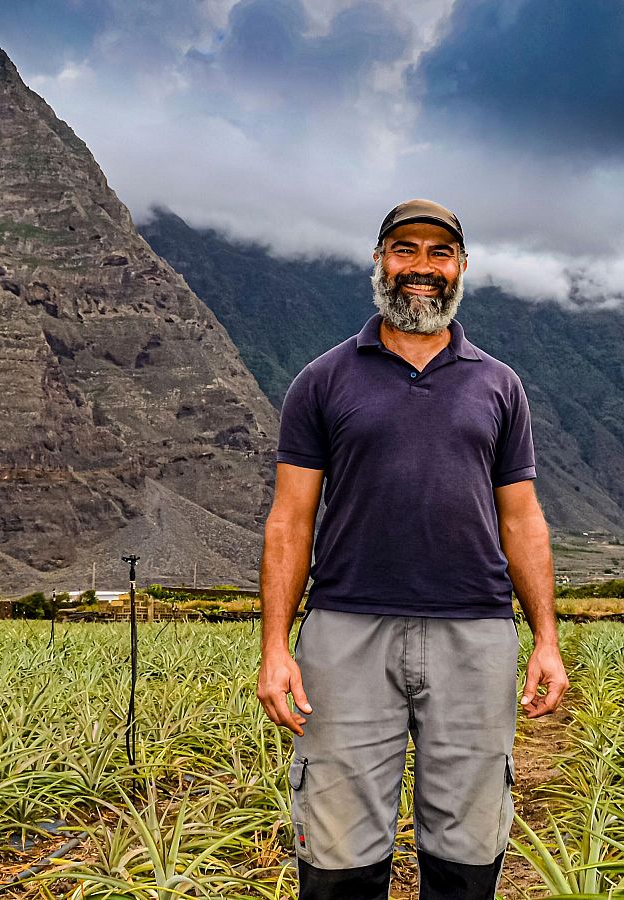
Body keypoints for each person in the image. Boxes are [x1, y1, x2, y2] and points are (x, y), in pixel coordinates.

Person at [256, 199, 568, 900]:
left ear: (460, 268)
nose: (420, 269)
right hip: (346, 632)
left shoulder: (498, 384)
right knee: (337, 845)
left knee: (468, 842)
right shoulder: (323, 379)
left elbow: (522, 521)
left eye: (438, 254)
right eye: (405, 251)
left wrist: (546, 639)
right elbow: (289, 521)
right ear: (378, 261)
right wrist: (276, 648)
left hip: (475, 632)